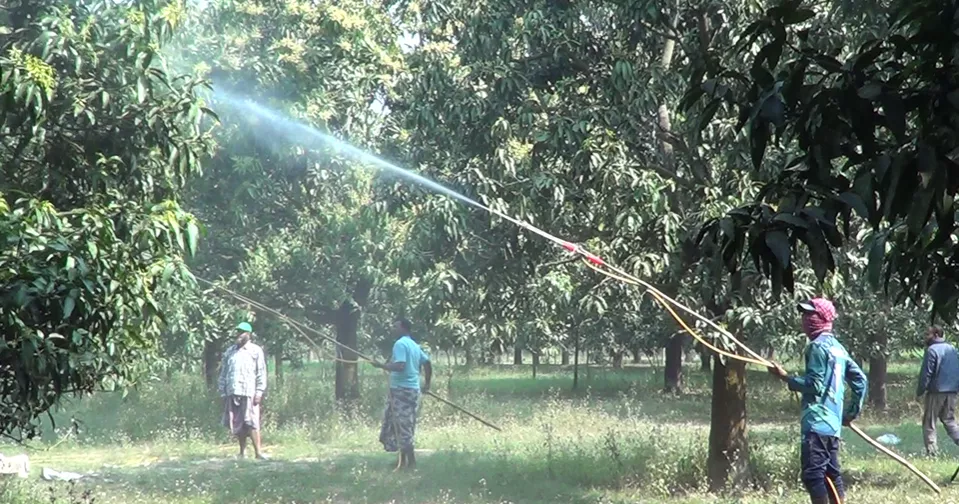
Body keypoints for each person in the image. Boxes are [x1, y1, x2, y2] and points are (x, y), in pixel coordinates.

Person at [767, 298, 867, 504]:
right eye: (804, 315)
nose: (805, 320)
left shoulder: (816, 347)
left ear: (822, 318)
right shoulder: (838, 348)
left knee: (813, 475)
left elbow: (815, 385)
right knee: (831, 473)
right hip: (832, 425)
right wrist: (850, 413)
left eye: (810, 315)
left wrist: (785, 377)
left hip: (817, 421)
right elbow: (860, 380)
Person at [372, 318, 432, 469]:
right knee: (403, 424)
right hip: (413, 390)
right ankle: (402, 462)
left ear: (404, 328)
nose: (394, 329)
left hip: (401, 390)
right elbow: (427, 363)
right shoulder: (414, 345)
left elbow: (400, 366)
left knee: (402, 426)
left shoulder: (400, 344)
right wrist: (427, 384)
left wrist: (381, 365)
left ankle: (411, 463)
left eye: (396, 327)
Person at [217, 321, 268, 460]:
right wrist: (222, 391)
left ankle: (258, 452)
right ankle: (242, 452)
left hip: (249, 392)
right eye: (237, 332)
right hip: (233, 391)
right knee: (237, 423)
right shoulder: (230, 351)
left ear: (248, 334)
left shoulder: (255, 350)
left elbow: (261, 372)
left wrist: (259, 392)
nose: (239, 335)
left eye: (242, 332)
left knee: (251, 422)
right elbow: (224, 372)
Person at [916, 326, 959, 456]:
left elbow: (926, 374)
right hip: (952, 391)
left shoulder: (932, 350)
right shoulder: (952, 349)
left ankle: (932, 452)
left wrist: (920, 392)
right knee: (949, 420)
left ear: (935, 335)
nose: (925, 338)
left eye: (927, 334)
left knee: (930, 421)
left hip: (936, 392)